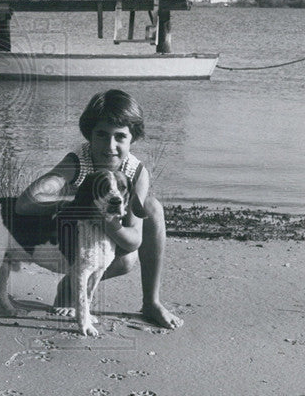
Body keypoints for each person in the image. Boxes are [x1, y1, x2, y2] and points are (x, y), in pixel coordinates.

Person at [15, 89, 183, 330]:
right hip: (75, 238)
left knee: (151, 209)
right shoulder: (77, 162)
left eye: (120, 137)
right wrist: (73, 205)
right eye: (102, 135)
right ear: (89, 135)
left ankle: (151, 302)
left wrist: (104, 219)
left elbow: (134, 240)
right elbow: (25, 202)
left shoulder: (136, 172)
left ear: (132, 138)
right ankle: (73, 281)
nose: (110, 146)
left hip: (110, 231)